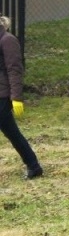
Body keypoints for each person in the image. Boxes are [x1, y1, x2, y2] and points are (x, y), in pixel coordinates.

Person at [0, 15, 42, 179]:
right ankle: (33, 165)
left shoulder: (7, 40)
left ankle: (34, 166)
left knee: (12, 133)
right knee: (12, 133)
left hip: (2, 96)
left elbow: (15, 70)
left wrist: (16, 97)